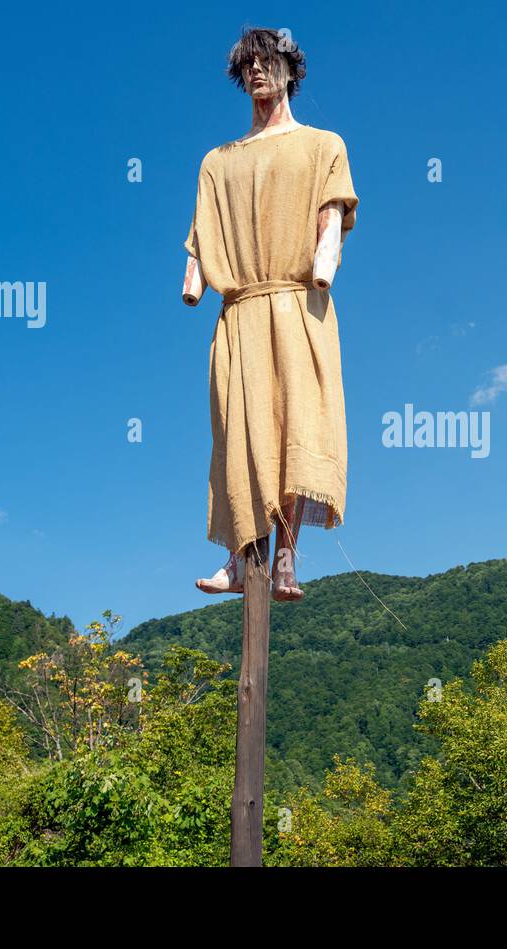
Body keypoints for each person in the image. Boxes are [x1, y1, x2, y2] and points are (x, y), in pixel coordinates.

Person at [181, 28, 359, 602]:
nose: (257, 73)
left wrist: (324, 262)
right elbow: (201, 239)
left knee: (297, 429)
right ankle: (239, 554)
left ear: (289, 70)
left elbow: (331, 213)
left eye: (267, 63)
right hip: (239, 311)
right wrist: (195, 279)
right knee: (240, 432)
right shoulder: (218, 161)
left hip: (300, 302)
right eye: (247, 66)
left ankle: (285, 555)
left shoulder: (323, 145)